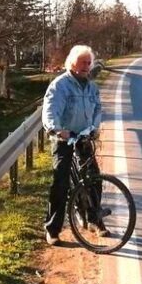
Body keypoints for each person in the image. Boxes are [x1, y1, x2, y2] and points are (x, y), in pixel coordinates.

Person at [41, 45, 104, 245]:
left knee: (94, 177)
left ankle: (94, 220)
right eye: (83, 62)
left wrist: (94, 128)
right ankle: (53, 228)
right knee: (61, 180)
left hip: (84, 136)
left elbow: (97, 110)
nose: (87, 66)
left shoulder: (92, 87)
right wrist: (57, 129)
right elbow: (50, 110)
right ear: (72, 64)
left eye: (89, 63)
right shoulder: (61, 85)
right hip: (64, 138)